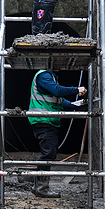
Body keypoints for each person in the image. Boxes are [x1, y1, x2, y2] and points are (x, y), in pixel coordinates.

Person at [27, 68, 86, 198]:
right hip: (43, 119)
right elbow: (57, 91)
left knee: (49, 153)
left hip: (47, 120)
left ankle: (34, 179)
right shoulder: (44, 75)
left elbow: (58, 100)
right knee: (48, 154)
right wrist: (77, 90)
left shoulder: (50, 77)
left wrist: (76, 105)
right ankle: (40, 186)